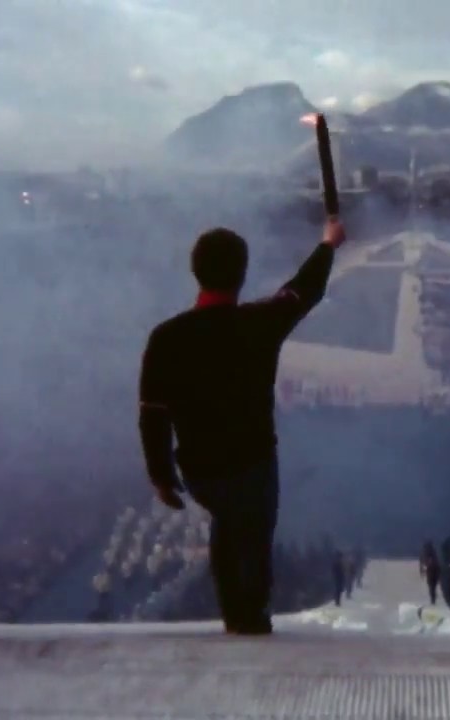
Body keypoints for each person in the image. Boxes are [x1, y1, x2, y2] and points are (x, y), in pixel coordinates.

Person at [138, 218, 346, 635]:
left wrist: (161, 476)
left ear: (195, 271)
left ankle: (234, 611)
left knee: (226, 521)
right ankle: (248, 618)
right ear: (243, 272)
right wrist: (328, 244)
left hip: (199, 471)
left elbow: (152, 415)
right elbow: (304, 290)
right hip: (252, 464)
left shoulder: (166, 337)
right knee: (252, 538)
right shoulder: (259, 322)